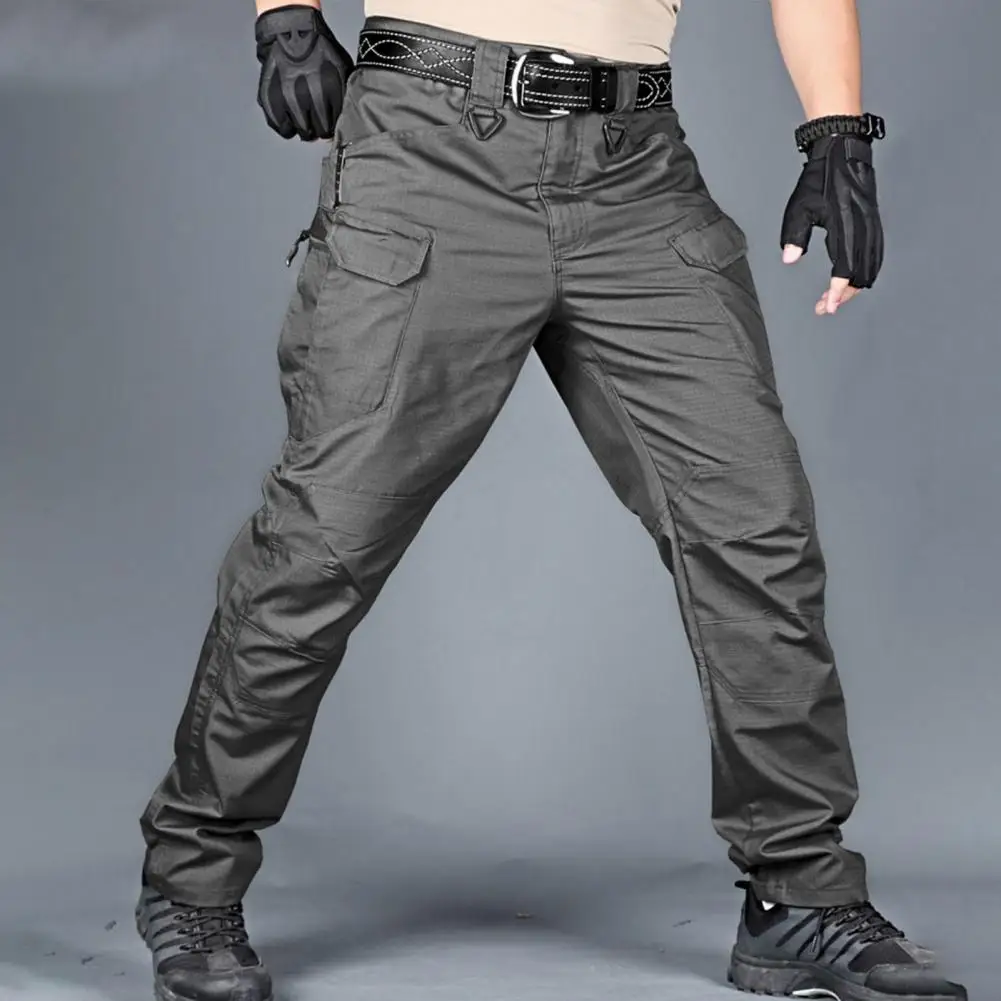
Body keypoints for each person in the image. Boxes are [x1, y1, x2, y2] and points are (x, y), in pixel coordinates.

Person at [133, 3, 967, 1000]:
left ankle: (798, 893)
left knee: (756, 524)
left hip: (634, 169)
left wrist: (837, 131)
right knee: (324, 539)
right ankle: (191, 877)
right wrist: (286, 16)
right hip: (430, 146)